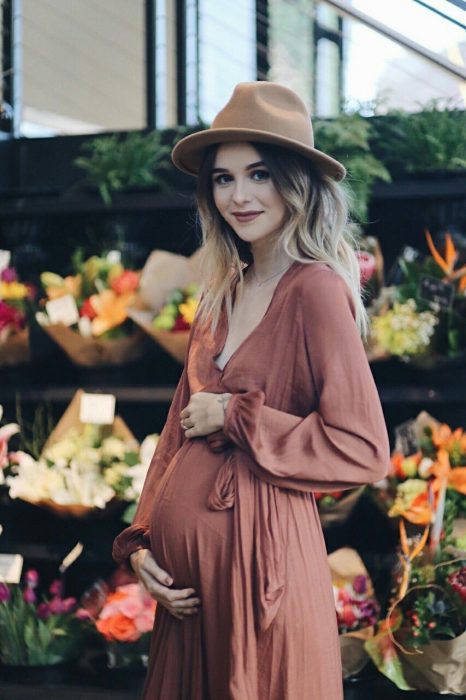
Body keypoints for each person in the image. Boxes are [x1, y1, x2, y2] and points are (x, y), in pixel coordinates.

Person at [113, 81, 390, 700]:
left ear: (296, 183)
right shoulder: (221, 293)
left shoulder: (314, 290)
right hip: (189, 596)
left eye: (259, 174)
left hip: (262, 576)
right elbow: (174, 434)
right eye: (223, 178)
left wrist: (240, 418)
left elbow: (364, 447)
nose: (239, 196)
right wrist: (143, 539)